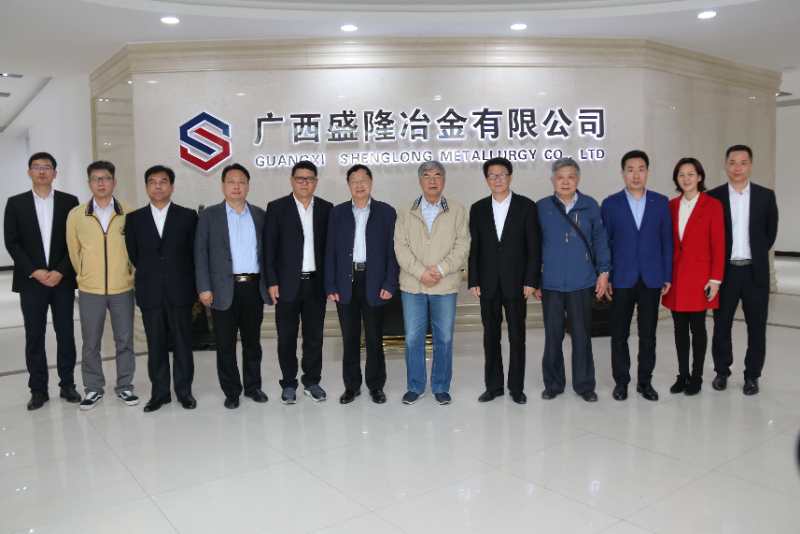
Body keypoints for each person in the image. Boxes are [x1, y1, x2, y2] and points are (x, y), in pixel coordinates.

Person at [4, 152, 80, 410]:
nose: (41, 171)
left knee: (66, 333)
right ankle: (38, 389)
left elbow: (75, 241)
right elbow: (12, 242)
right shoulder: (16, 203)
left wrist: (61, 270)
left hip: (62, 280)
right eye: (36, 167)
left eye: (47, 167)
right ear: (29, 172)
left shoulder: (70, 202)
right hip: (31, 282)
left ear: (54, 173)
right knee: (34, 335)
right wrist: (34, 271)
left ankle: (67, 384)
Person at [394, 161, 469, 405]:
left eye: (437, 175)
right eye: (427, 176)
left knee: (444, 338)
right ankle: (415, 386)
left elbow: (462, 245)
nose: (433, 180)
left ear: (444, 180)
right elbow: (400, 247)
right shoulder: (406, 210)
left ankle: (440, 386)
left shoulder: (457, 210)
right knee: (413, 338)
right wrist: (420, 272)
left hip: (444, 285)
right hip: (413, 285)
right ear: (420, 181)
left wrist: (440, 270)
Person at [535, 157, 610, 402]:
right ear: (552, 180)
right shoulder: (542, 207)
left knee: (581, 336)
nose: (565, 182)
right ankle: (553, 384)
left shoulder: (590, 205)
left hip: (582, 281)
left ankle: (585, 385)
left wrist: (604, 272)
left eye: (570, 177)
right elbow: (533, 247)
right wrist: (535, 280)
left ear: (578, 179)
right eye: (560, 177)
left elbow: (600, 240)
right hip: (551, 283)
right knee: (553, 336)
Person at [195, 163, 268, 409]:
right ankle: (232, 391)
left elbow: (267, 254)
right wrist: (204, 287)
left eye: (241, 182)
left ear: (248, 186)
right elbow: (200, 254)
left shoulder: (259, 215)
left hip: (253, 288)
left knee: (252, 342)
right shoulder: (209, 216)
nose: (237, 186)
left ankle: (253, 387)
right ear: (223, 185)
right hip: (222, 289)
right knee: (225, 344)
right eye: (231, 182)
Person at [125, 165, 198, 412]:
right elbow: (135, 254)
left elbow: (193, 254)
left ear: (172, 186)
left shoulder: (188, 216)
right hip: (150, 291)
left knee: (182, 344)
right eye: (152, 182)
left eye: (163, 181)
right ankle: (160, 393)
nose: (158, 186)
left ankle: (184, 392)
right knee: (155, 345)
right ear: (147, 187)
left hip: (180, 291)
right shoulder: (134, 219)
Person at [601, 150, 672, 402]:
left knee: (648, 334)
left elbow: (667, 242)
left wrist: (667, 275)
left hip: (651, 278)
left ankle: (645, 382)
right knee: (619, 334)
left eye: (641, 169)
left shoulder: (660, 202)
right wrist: (606, 276)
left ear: (647, 172)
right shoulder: (610, 204)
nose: (636, 175)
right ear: (623, 173)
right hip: (621, 278)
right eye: (630, 170)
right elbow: (605, 243)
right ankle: (621, 382)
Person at [468, 157, 540, 404]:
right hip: (487, 283)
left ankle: (516, 388)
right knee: (490, 337)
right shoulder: (478, 208)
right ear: (486, 179)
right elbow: (475, 248)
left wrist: (531, 280)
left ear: (510, 176)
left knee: (517, 337)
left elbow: (534, 248)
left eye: (502, 174)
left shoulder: (526, 206)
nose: (497, 179)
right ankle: (494, 386)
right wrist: (473, 279)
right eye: (492, 175)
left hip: (517, 283)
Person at [325, 164, 399, 404]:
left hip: (375, 281)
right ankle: (351, 386)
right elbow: (330, 251)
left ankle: (376, 386)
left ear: (371, 182)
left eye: (363, 180)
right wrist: (330, 285)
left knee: (375, 338)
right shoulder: (337, 213)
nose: (359, 185)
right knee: (350, 338)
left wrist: (390, 282)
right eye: (354, 181)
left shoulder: (386, 212)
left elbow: (393, 252)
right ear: (348, 185)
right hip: (346, 282)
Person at [66, 160, 137, 410]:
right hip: (90, 290)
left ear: (114, 182)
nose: (101, 183)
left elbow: (135, 249)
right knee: (91, 342)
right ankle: (93, 388)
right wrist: (85, 274)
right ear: (89, 183)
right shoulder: (76, 215)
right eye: (96, 179)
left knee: (125, 340)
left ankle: (125, 385)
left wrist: (128, 272)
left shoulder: (129, 212)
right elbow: (73, 251)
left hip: (122, 288)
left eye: (106, 178)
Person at [708, 145, 778, 395]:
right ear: (725, 165)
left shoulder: (765, 196)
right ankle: (722, 372)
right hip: (725, 273)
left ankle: (752, 376)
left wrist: (754, 254)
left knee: (756, 327)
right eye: (732, 162)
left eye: (743, 162)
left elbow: (770, 233)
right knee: (721, 325)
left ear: (750, 165)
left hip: (754, 272)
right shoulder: (714, 197)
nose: (737, 168)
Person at [264, 161, 332, 404]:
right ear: (292, 181)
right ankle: (289, 383)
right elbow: (269, 249)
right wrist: (272, 281)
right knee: (286, 337)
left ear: (316, 182)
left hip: (316, 284)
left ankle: (312, 381)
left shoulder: (326, 208)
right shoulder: (277, 208)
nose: (305, 183)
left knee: (314, 337)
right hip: (286, 285)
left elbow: (330, 250)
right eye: (300, 178)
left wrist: (331, 283)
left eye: (309, 179)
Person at [662, 157, 724, 395]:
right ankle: (683, 375)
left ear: (699, 177)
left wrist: (715, 279)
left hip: (700, 278)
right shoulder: (671, 206)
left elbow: (718, 244)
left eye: (691, 174)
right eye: (681, 175)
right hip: (676, 277)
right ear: (676, 179)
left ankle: (696, 376)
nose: (686, 179)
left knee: (698, 328)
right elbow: (666, 244)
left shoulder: (712, 205)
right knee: (679, 329)